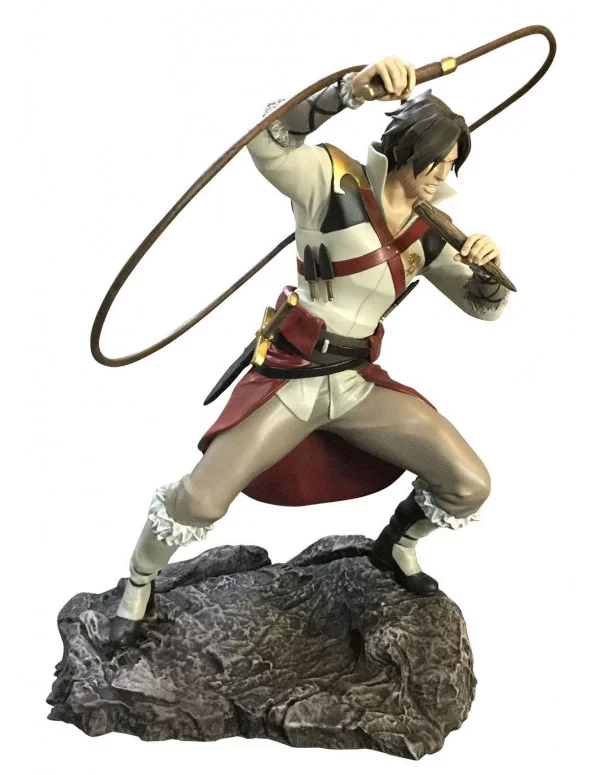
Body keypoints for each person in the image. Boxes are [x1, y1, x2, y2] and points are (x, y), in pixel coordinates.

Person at [109, 56, 509, 648]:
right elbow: (268, 140)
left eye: (453, 164)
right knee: (202, 499)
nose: (444, 174)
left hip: (355, 383)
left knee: (468, 483)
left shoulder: (432, 230)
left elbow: (483, 307)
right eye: (439, 162)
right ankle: (138, 584)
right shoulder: (331, 180)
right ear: (409, 153)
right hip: (294, 377)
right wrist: (348, 91)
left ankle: (395, 547)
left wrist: (489, 271)